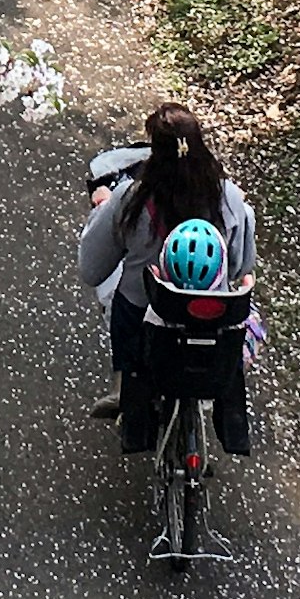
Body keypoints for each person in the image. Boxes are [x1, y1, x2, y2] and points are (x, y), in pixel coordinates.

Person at [76, 103, 257, 454]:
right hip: (212, 323)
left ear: (154, 153)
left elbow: (92, 268)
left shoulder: (131, 199)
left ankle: (124, 389)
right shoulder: (231, 200)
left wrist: (101, 210)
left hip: (142, 325)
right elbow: (240, 267)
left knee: (120, 293)